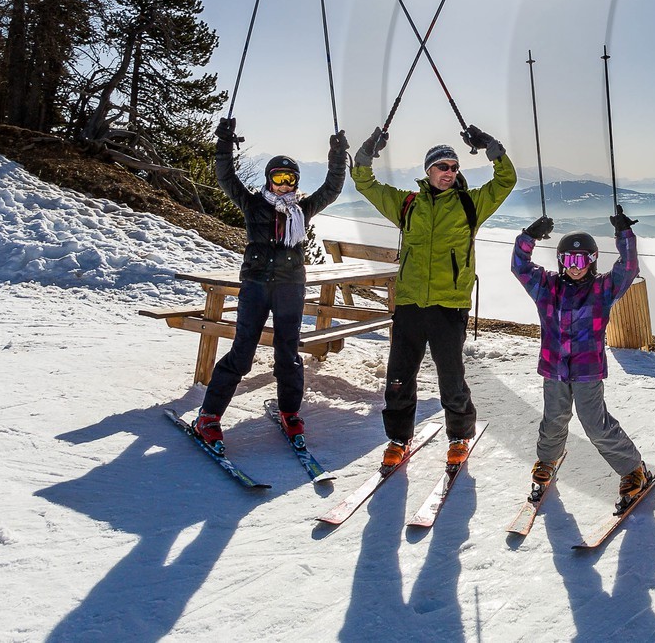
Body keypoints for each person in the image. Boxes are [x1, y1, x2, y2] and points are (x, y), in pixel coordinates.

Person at [352, 124, 515, 468]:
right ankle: (398, 439)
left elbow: (505, 181)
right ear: (428, 170)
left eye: (455, 167)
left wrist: (491, 147)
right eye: (443, 166)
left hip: (449, 305)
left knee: (452, 378)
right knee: (399, 377)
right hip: (410, 303)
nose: (450, 172)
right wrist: (368, 149)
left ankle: (458, 438)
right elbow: (364, 182)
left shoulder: (471, 204)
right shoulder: (408, 204)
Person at [193, 118, 348, 449]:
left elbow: (332, 189)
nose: (283, 184)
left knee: (288, 353)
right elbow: (226, 178)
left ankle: (290, 412)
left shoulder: (303, 209)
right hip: (256, 286)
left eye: (289, 178)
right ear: (268, 180)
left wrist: (337, 158)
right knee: (243, 351)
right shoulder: (252, 204)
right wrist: (223, 144)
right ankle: (208, 416)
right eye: (278, 178)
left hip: (290, 287)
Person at [511, 207, 653, 510]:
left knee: (595, 424)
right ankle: (548, 460)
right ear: (561, 261)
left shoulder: (603, 289)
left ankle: (633, 469)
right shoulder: (546, 286)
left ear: (592, 261)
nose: (575, 267)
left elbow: (628, 269)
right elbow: (520, 266)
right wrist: (529, 237)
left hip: (588, 371)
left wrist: (624, 235)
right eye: (569, 260)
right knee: (553, 420)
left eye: (582, 260)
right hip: (554, 369)